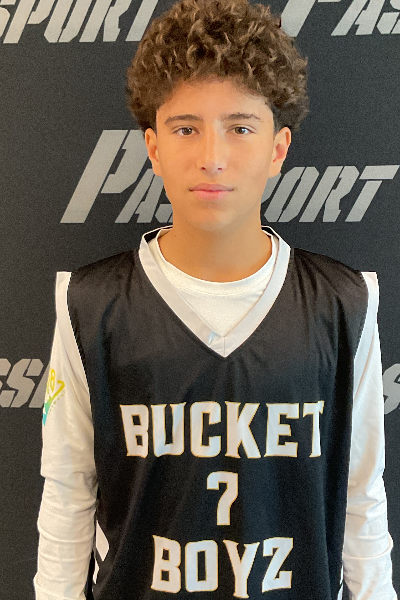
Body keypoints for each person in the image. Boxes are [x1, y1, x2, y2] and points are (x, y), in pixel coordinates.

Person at [34, 0, 397, 598]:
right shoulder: (90, 305)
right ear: (153, 148)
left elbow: (361, 497)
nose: (212, 156)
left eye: (240, 127)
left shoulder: (344, 304)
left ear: (277, 149)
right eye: (186, 128)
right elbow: (69, 492)